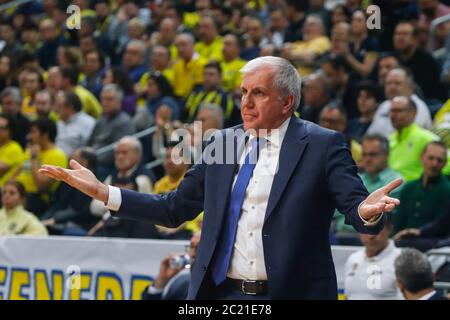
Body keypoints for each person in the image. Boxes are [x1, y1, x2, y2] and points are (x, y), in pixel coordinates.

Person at [40, 56, 402, 300]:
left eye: (258, 93)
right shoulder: (221, 143)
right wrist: (104, 192)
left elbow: (357, 209)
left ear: (287, 102)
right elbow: (174, 209)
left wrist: (368, 212)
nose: (245, 102)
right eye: (243, 92)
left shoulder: (322, 145)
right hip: (220, 294)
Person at [344, 216, 403, 300]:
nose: (370, 235)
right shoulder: (353, 259)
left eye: (376, 229)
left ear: (390, 228)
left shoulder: (403, 260)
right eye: (364, 229)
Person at [142, 231, 201, 300]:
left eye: (199, 248)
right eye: (191, 247)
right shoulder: (181, 283)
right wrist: (160, 283)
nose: (192, 254)